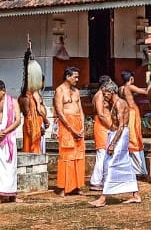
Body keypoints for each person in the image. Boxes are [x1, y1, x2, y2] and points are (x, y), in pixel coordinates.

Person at [90, 79, 142, 207]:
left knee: (110, 164)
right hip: (116, 134)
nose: (104, 96)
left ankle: (103, 198)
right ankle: (136, 195)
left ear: (111, 92)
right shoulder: (114, 103)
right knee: (125, 165)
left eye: (105, 94)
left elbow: (121, 126)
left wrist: (113, 143)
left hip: (120, 136)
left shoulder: (119, 103)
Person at [54, 67, 86, 197]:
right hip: (66, 126)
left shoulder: (76, 91)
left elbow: (81, 109)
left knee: (79, 156)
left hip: (78, 124)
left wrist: (83, 126)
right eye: (75, 77)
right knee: (67, 155)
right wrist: (72, 129)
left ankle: (77, 186)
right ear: (68, 76)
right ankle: (63, 187)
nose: (77, 79)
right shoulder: (59, 90)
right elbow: (60, 113)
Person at [88, 74, 114, 190]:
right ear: (104, 86)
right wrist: (111, 126)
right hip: (102, 126)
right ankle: (95, 181)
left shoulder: (101, 95)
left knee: (105, 154)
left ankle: (103, 179)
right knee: (102, 154)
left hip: (105, 126)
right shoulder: (99, 96)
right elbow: (101, 114)